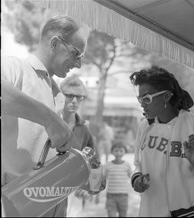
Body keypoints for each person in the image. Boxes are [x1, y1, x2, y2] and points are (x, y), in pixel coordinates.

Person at [1, 15, 88, 217]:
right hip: (15, 205)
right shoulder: (16, 68)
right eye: (76, 54)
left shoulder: (56, 92)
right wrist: (50, 118)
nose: (78, 64)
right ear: (55, 43)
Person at [129, 66, 194, 217]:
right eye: (140, 99)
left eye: (147, 99)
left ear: (166, 96)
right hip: (149, 211)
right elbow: (136, 164)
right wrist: (137, 179)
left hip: (186, 213)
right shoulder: (144, 127)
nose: (142, 104)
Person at [58, 75, 101, 216]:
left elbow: (94, 161)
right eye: (69, 96)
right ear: (59, 95)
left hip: (74, 193)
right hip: (46, 189)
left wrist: (93, 185)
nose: (75, 101)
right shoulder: (49, 122)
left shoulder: (84, 129)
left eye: (79, 97)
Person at [104, 142, 132, 217]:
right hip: (111, 196)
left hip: (123, 196)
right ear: (112, 152)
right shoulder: (108, 165)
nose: (118, 153)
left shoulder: (127, 165)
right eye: (116, 150)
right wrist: (96, 195)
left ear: (125, 152)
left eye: (121, 151)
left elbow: (132, 179)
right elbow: (102, 180)